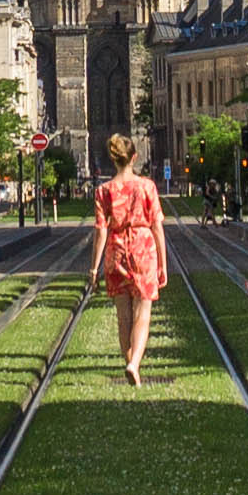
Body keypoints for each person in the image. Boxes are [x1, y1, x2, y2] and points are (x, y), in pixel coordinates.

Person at [94, 159, 170, 385]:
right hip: (143, 250)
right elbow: (157, 226)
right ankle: (134, 363)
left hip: (115, 251)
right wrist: (163, 264)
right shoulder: (147, 187)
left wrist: (93, 267)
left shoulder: (103, 190)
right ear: (133, 158)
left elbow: (100, 231)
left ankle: (131, 367)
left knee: (123, 318)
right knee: (142, 314)